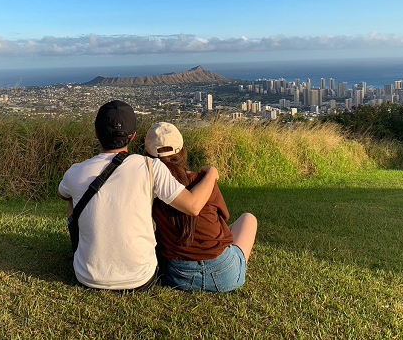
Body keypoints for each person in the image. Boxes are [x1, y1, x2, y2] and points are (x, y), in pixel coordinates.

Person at [57, 101, 220, 291]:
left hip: (87, 277)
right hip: (140, 279)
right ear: (133, 136)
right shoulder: (150, 167)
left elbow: (63, 194)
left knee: (71, 199)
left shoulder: (75, 171)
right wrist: (211, 174)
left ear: (96, 133)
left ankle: (86, 251)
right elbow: (193, 206)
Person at [145, 122, 257, 292]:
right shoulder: (202, 181)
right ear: (182, 151)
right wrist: (211, 173)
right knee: (248, 219)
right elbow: (222, 218)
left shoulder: (149, 186)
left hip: (178, 276)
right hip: (225, 274)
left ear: (147, 154)